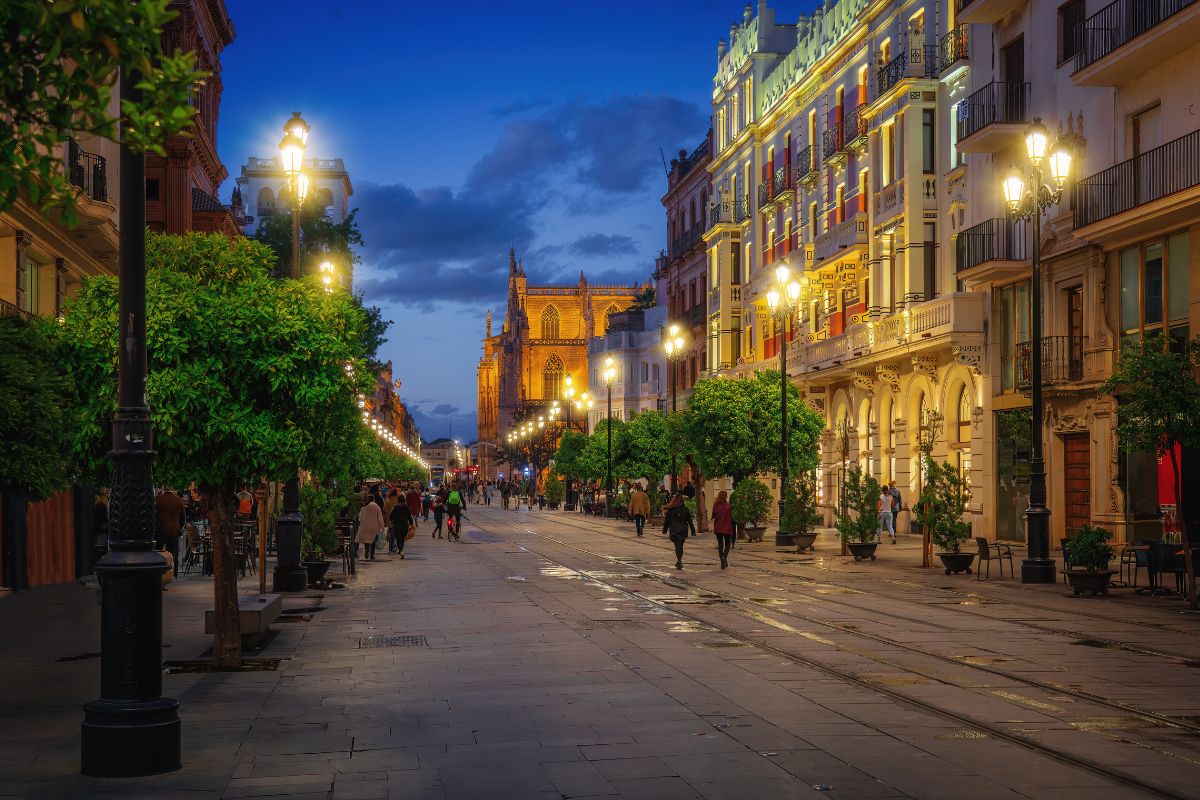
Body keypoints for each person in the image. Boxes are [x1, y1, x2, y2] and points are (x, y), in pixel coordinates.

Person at [154, 488, 185, 580]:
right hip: (173, 530)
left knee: (158, 551)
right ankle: (172, 573)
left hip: (160, 530)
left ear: (163, 490)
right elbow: (182, 517)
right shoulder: (178, 500)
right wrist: (178, 526)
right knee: (172, 552)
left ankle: (158, 572)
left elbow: (154, 514)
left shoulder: (157, 499)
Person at [662, 492, 696, 570]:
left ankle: (679, 561)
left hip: (674, 530)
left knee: (677, 546)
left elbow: (667, 522)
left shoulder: (670, 511)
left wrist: (664, 530)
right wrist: (693, 531)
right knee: (680, 546)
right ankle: (679, 560)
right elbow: (690, 521)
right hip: (683, 530)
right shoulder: (686, 510)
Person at [356, 494, 386, 560]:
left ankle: (367, 550)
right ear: (374, 500)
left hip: (365, 526)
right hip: (374, 527)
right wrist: (382, 527)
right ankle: (372, 555)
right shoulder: (377, 506)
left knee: (366, 540)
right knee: (373, 541)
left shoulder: (364, 506)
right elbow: (380, 518)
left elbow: (360, 517)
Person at [711, 490, 735, 569]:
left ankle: (722, 562)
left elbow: (713, 515)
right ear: (726, 497)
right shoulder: (728, 506)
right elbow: (731, 517)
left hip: (718, 527)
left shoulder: (716, 505)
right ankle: (724, 557)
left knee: (721, 544)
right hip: (727, 527)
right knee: (728, 544)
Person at [389, 491, 415, 560]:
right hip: (404, 525)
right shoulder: (406, 507)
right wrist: (411, 524)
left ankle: (401, 551)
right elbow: (409, 516)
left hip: (397, 525)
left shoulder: (396, 507)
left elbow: (391, 516)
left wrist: (393, 521)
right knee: (402, 538)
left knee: (398, 538)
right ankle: (401, 550)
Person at [383, 488, 401, 553]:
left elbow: (384, 511)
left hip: (389, 519)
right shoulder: (398, 500)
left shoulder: (387, 500)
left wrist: (384, 520)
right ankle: (396, 545)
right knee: (397, 534)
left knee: (391, 534)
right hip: (398, 519)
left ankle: (391, 548)